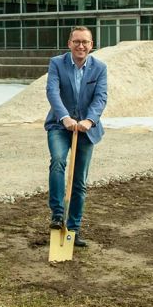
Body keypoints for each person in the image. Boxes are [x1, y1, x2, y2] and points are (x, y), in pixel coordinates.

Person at [45, 26, 108, 247]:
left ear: (92, 45)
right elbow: (52, 92)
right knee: (58, 162)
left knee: (79, 181)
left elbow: (100, 97)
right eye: (77, 41)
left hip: (86, 129)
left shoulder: (99, 68)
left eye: (85, 42)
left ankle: (72, 230)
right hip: (59, 126)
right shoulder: (56, 63)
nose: (81, 46)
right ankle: (57, 215)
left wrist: (89, 121)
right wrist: (64, 118)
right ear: (69, 43)